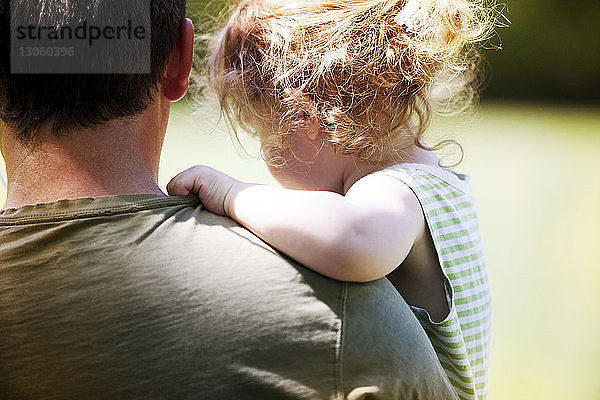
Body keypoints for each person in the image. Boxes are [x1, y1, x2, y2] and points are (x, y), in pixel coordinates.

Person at [0, 1, 458, 399]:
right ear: (178, 61)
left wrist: (237, 194)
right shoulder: (345, 318)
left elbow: (357, 235)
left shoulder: (394, 198)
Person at [167, 0, 494, 399]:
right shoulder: (439, 183)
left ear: (306, 118)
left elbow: (352, 239)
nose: (267, 160)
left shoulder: (397, 190)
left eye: (266, 138)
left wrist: (235, 195)